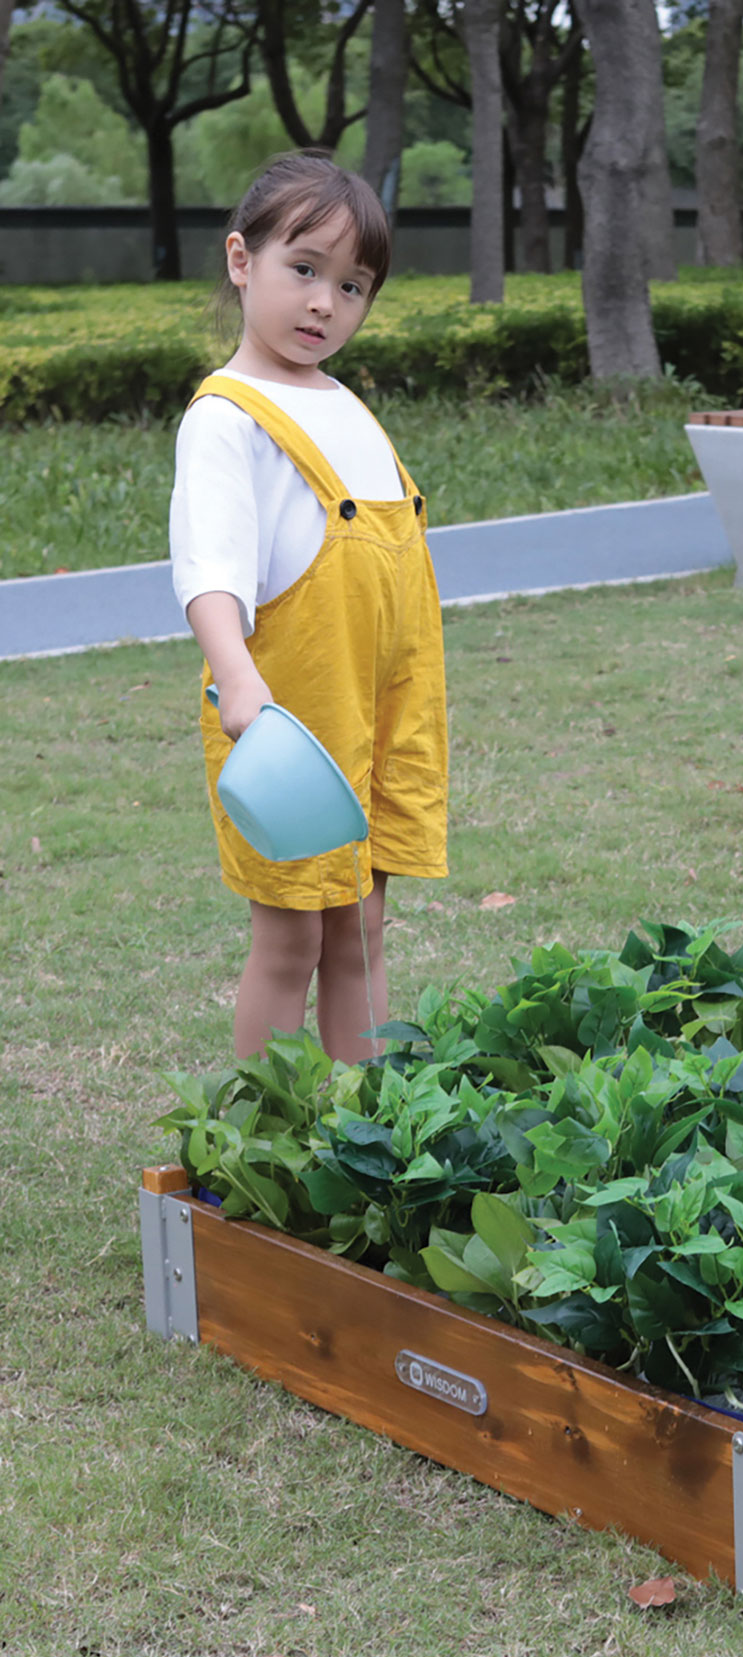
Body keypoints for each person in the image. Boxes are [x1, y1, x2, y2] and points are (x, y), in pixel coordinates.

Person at [171, 152, 448, 1066]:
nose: (326, 302)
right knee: (290, 939)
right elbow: (210, 570)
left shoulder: (347, 407)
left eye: (353, 285)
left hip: (374, 720)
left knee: (362, 932)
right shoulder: (228, 416)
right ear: (242, 260)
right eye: (305, 269)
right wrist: (242, 685)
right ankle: (260, 1149)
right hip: (286, 718)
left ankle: (367, 1136)